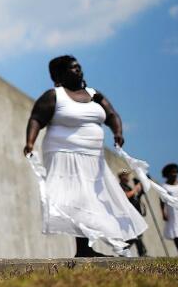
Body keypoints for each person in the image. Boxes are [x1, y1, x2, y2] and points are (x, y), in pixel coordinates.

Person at [24, 55, 147, 257]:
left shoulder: (94, 94)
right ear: (60, 74)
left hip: (93, 157)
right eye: (73, 68)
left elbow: (112, 115)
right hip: (64, 153)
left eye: (79, 66)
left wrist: (117, 132)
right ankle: (85, 249)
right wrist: (30, 142)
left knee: (94, 198)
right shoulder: (54, 96)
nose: (79, 70)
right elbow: (36, 118)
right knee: (78, 198)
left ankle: (90, 248)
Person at [118, 169, 147, 256]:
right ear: (120, 177)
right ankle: (140, 252)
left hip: (134, 213)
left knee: (136, 234)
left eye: (127, 175)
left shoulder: (128, 186)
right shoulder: (120, 186)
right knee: (136, 234)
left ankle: (127, 251)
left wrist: (140, 191)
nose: (127, 177)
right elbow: (126, 196)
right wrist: (136, 188)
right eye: (124, 175)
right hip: (128, 214)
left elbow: (134, 197)